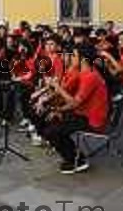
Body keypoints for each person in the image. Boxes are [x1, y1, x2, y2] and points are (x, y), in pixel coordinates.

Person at [43, 44, 109, 174]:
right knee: (52, 122)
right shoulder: (84, 73)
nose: (71, 58)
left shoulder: (90, 76)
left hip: (92, 121)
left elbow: (74, 103)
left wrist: (58, 87)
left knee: (52, 131)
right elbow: (75, 102)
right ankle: (73, 154)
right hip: (82, 114)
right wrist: (59, 110)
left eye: (73, 56)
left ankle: (77, 161)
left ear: (83, 60)